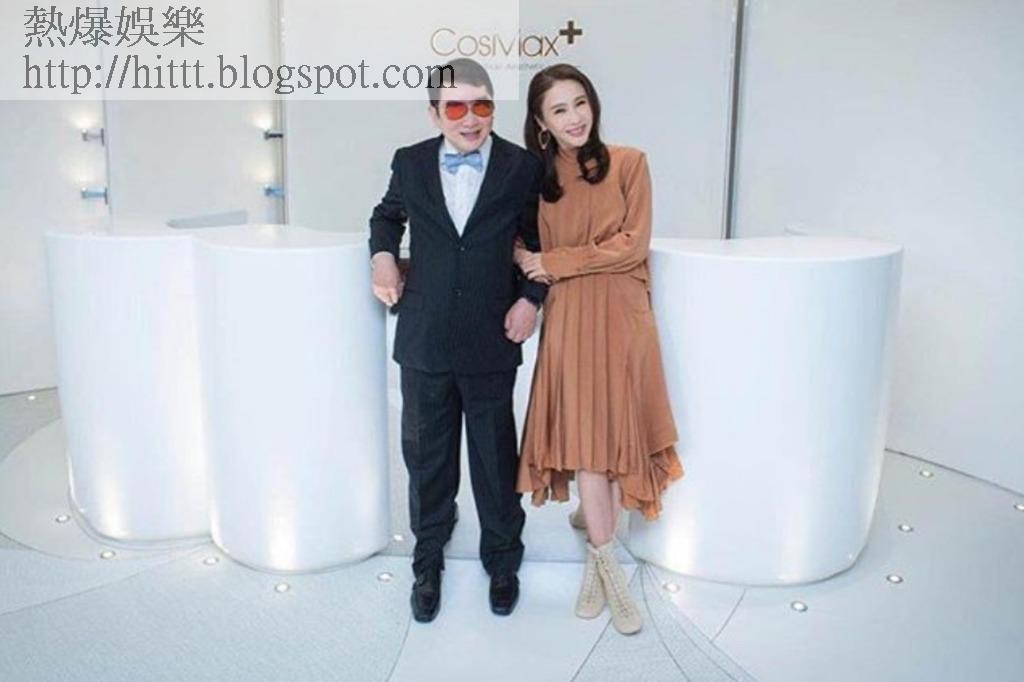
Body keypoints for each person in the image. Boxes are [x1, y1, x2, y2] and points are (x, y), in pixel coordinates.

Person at [368, 57, 547, 623]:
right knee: (426, 459)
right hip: (424, 337)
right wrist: (382, 258)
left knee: (495, 459)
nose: (470, 119)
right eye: (456, 108)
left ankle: (503, 559)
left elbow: (539, 241)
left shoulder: (522, 167)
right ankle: (428, 560)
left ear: (493, 107)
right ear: (435, 113)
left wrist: (531, 299)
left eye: (482, 105)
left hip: (492, 335)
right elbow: (386, 218)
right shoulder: (410, 161)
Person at [514, 64, 684, 635]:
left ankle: (597, 554)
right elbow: (519, 244)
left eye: (580, 103)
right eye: (559, 109)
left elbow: (632, 246)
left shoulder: (630, 163)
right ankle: (608, 566)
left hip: (623, 314)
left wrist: (557, 261)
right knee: (590, 442)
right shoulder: (535, 180)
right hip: (571, 317)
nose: (574, 117)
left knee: (611, 435)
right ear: (541, 122)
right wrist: (530, 261)